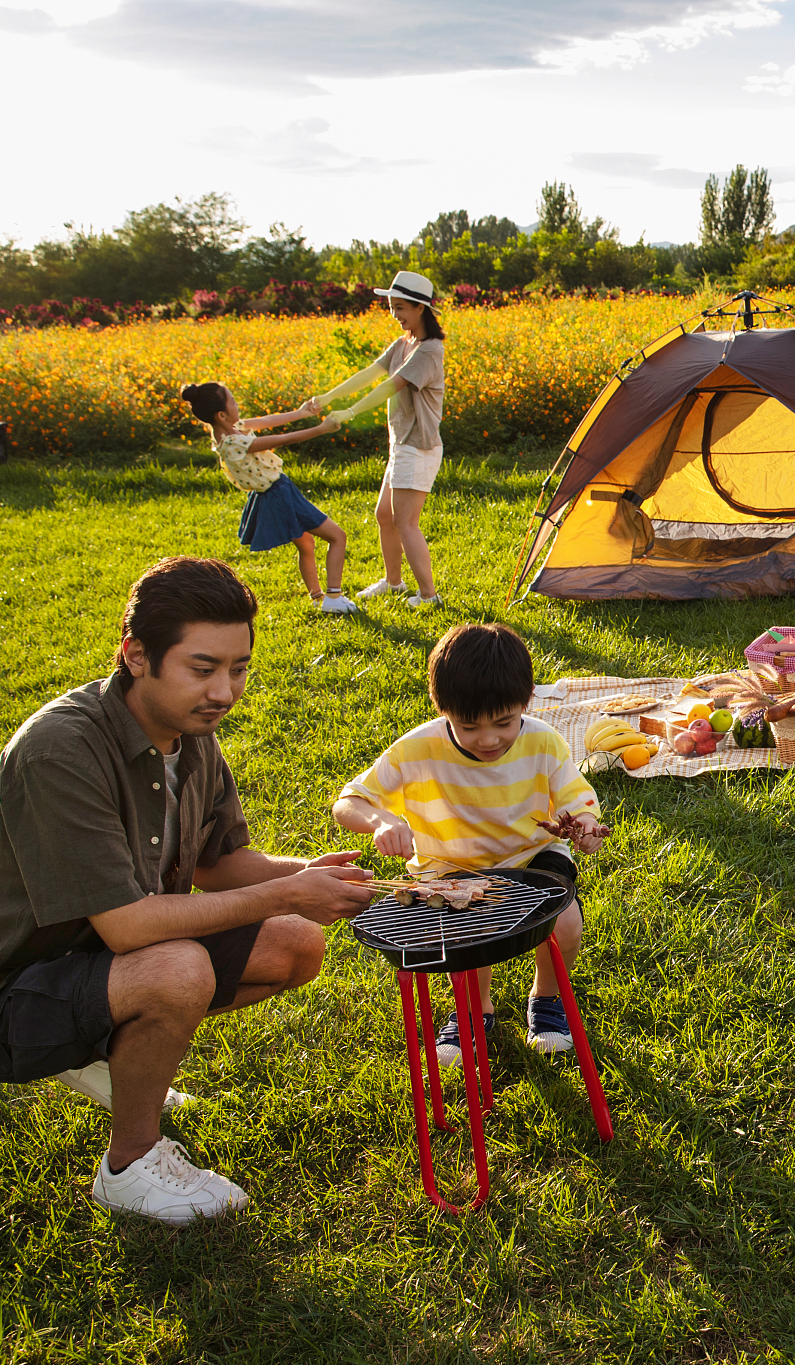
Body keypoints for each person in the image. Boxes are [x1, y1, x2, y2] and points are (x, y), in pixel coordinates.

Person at [0, 558, 377, 1224]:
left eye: (238, 669)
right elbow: (127, 926)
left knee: (296, 944)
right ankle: (129, 1164)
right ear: (136, 655)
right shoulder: (60, 749)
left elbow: (221, 862)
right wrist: (286, 893)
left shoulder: (191, 734)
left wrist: (318, 876)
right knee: (177, 969)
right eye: (203, 669)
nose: (225, 692)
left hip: (94, 962)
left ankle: (109, 1050)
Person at [333, 623, 607, 1066]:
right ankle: (476, 1012)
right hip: (450, 864)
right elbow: (349, 802)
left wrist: (587, 828)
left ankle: (547, 998)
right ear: (442, 709)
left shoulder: (543, 740)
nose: (488, 739)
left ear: (528, 699)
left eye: (503, 722)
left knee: (565, 924)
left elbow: (579, 801)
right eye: (468, 726)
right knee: (468, 940)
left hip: (530, 853)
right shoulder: (416, 749)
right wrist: (380, 820)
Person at [309, 270, 446, 609]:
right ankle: (394, 582)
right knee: (385, 515)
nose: (395, 315)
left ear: (420, 308)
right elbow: (370, 374)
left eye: (400, 308)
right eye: (391, 308)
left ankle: (429, 596)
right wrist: (328, 398)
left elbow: (390, 386)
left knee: (406, 522)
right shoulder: (403, 344)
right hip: (401, 446)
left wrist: (349, 413)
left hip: (418, 447)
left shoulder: (429, 351)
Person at [180, 382, 354, 613]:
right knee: (337, 537)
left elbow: (268, 420)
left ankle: (317, 597)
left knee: (307, 544)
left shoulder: (233, 428)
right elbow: (280, 440)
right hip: (278, 493)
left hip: (274, 492)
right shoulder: (233, 443)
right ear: (221, 414)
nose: (237, 404)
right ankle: (333, 598)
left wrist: (301, 413)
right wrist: (321, 429)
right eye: (232, 401)